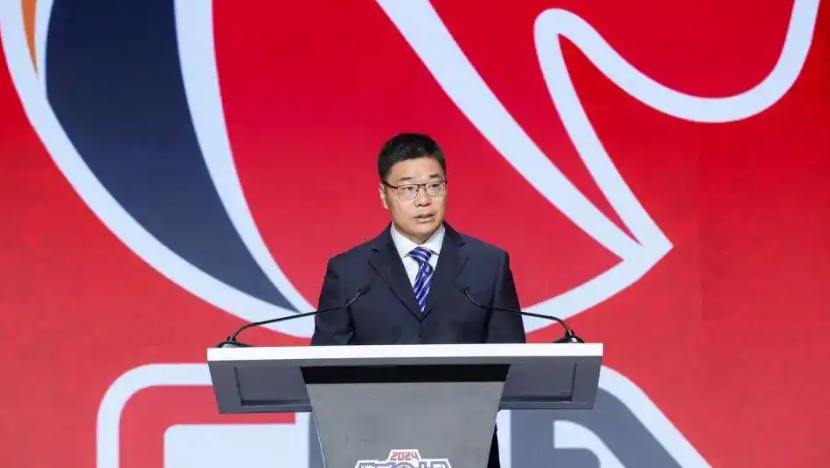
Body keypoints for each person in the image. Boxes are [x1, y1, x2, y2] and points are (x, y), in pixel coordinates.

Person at [310, 132, 526, 468]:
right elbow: (325, 372)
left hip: (467, 447)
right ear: (384, 195)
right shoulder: (349, 273)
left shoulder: (489, 265)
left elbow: (510, 361)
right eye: (408, 189)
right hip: (374, 450)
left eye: (434, 186)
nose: (424, 200)